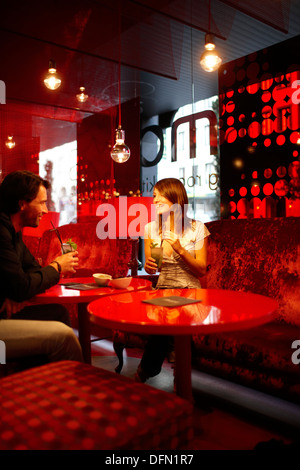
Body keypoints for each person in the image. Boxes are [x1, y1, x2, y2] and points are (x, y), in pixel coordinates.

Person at [0, 170, 83, 365]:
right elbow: (22, 286)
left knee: (58, 313)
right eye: (42, 203)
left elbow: (31, 272)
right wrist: (56, 266)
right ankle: (76, 391)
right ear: (22, 204)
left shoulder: (14, 231)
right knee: (63, 337)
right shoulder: (1, 231)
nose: (46, 211)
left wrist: (14, 292)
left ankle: (44, 384)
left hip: (5, 311)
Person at [135, 177, 210, 382]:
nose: (154, 199)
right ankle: (180, 379)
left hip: (190, 291)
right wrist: (151, 265)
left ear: (175, 198)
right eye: (154, 195)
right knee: (165, 319)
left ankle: (145, 372)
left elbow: (201, 270)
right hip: (163, 289)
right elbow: (155, 265)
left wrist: (179, 249)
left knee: (168, 322)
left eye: (159, 194)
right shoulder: (151, 229)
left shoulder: (197, 228)